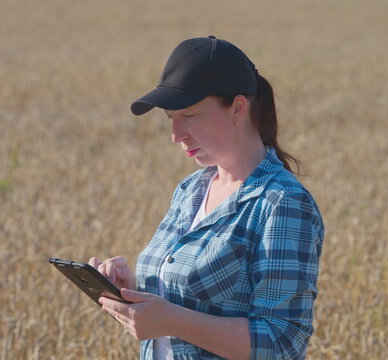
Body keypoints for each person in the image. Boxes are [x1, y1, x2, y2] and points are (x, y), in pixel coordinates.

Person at [89, 36, 324, 360]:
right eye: (171, 119)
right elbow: (184, 304)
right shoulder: (190, 190)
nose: (176, 135)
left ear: (238, 109)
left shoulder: (281, 203)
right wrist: (132, 292)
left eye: (191, 115)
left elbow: (282, 343)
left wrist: (172, 320)